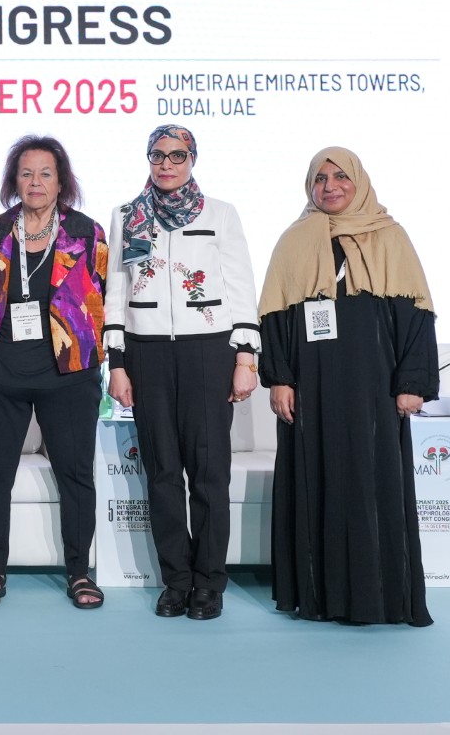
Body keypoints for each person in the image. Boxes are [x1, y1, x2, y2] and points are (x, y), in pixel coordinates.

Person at [259, 146, 438, 627]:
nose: (330, 186)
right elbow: (274, 316)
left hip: (373, 386)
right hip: (310, 386)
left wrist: (411, 382)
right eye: (320, 179)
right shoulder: (294, 240)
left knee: (373, 482)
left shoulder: (390, 236)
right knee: (313, 478)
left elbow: (416, 314)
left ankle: (379, 598)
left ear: (359, 181)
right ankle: (318, 597)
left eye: (341, 176)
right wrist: (279, 378)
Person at [103, 124, 259, 622]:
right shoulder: (126, 215)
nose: (166, 164)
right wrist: (117, 363)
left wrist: (245, 357)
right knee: (163, 474)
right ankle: (176, 581)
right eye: (158, 155)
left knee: (209, 474)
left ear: (193, 159)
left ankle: (209, 583)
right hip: (146, 353)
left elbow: (240, 285)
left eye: (177, 155)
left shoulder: (221, 213)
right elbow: (115, 290)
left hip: (208, 352)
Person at [0, 135, 109, 610]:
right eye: (26, 173)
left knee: (76, 475)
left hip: (68, 374)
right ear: (14, 180)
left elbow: (101, 297)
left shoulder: (87, 232)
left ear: (61, 181)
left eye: (46, 173)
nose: (36, 182)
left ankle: (79, 573)